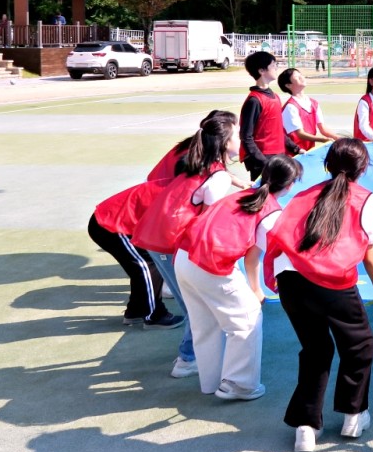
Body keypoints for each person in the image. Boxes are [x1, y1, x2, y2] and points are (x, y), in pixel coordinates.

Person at [265, 138, 373, 452]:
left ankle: (306, 428)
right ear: (363, 169)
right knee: (360, 344)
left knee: (315, 349)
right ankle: (353, 414)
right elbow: (369, 252)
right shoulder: (365, 198)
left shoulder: (302, 195)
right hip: (330, 281)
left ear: (326, 165)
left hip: (291, 280)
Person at [176, 154, 302, 401]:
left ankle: (211, 382)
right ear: (289, 185)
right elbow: (253, 258)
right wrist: (257, 290)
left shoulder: (241, 194)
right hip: (210, 264)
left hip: (184, 256)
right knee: (248, 319)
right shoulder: (271, 212)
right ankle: (239, 384)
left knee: (205, 325)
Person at [131, 112, 244, 380]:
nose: (241, 138)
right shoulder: (216, 177)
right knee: (198, 306)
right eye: (237, 134)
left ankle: (190, 354)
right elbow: (208, 224)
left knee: (195, 305)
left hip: (159, 239)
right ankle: (187, 358)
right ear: (226, 142)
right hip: (171, 244)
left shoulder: (197, 163)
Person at [88, 177, 182, 333]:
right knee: (147, 267)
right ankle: (155, 316)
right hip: (111, 225)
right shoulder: (179, 194)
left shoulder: (180, 187)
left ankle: (136, 310)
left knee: (146, 265)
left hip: (118, 223)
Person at [240, 51, 300, 180]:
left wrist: (295, 148)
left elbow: (277, 130)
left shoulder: (275, 97)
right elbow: (246, 137)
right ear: (262, 70)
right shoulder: (254, 101)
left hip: (278, 156)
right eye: (273, 65)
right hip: (263, 160)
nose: (276, 68)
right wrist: (263, 162)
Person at [279, 68, 339, 153]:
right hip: (293, 153)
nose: (301, 77)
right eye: (297, 76)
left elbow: (323, 129)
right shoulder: (290, 107)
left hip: (308, 151)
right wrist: (324, 140)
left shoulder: (314, 103)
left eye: (301, 75)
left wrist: (338, 138)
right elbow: (300, 134)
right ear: (288, 85)